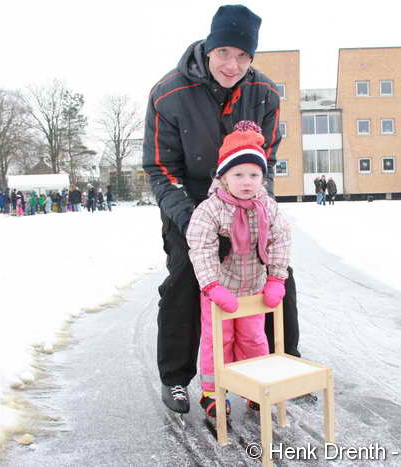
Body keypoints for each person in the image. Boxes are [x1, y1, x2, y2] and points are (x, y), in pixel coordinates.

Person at [143, 4, 300, 415]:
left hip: (245, 195)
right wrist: (195, 220)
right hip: (190, 200)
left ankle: (282, 363)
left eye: (243, 56)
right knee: (186, 277)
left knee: (277, 275)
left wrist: (258, 207)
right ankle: (176, 378)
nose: (233, 65)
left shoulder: (264, 93)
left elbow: (264, 161)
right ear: (209, 48)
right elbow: (160, 168)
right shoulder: (168, 93)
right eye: (224, 53)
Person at [187, 122, 290, 417]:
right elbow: (201, 247)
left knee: (253, 339)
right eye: (238, 174)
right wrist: (212, 285)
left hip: (253, 289)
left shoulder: (267, 206)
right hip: (219, 291)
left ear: (263, 177)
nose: (247, 181)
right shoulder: (211, 209)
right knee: (219, 341)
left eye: (254, 175)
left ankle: (254, 386)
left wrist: (276, 279)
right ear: (223, 177)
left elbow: (281, 239)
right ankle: (213, 391)